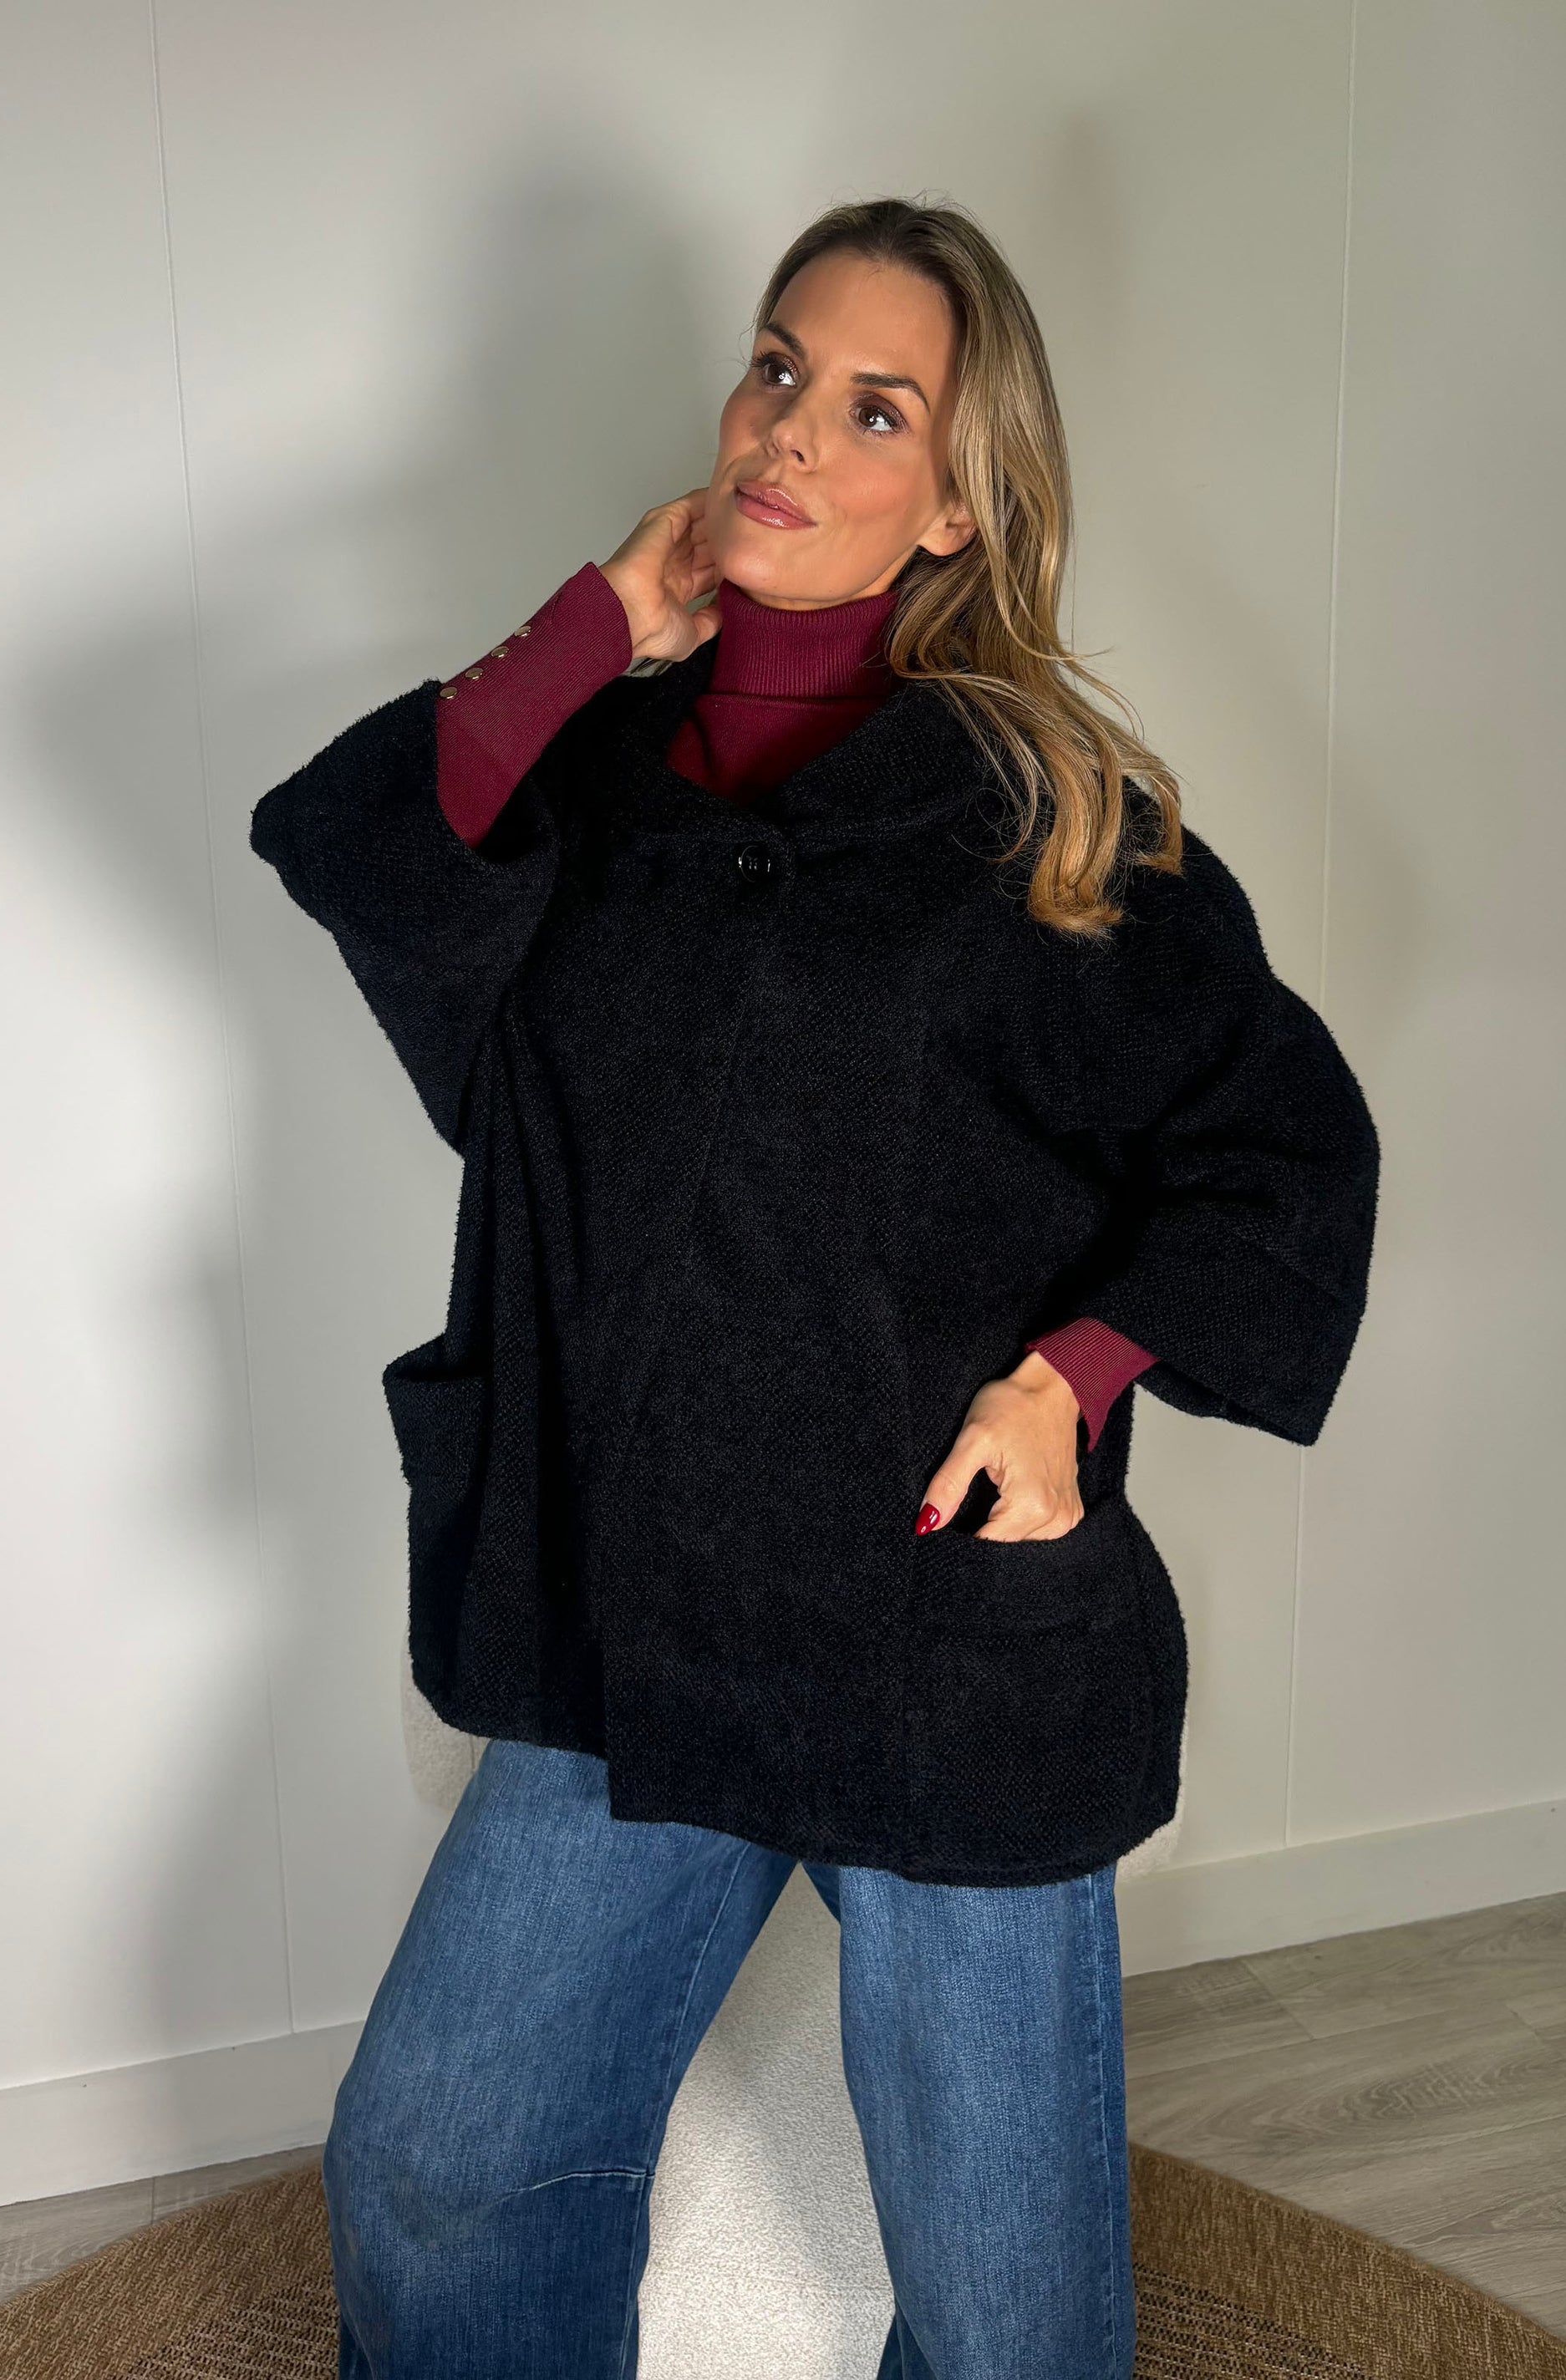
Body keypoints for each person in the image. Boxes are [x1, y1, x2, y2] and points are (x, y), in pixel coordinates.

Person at [249, 196, 1380, 2380]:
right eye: (777, 367)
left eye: (875, 408)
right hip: (631, 1609)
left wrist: (1071, 1375)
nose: (790, 429)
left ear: (957, 499)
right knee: (438, 2161)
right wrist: (607, 612)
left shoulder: (1053, 820)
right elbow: (371, 848)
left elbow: (1277, 1146)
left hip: (939, 1631)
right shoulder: (589, 782)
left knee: (1010, 2319)